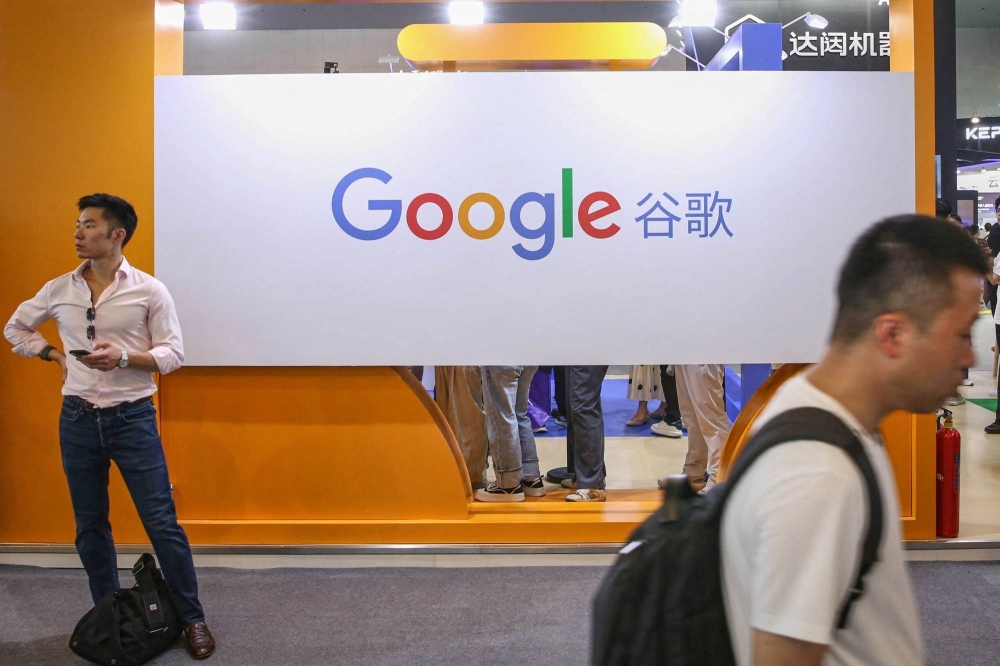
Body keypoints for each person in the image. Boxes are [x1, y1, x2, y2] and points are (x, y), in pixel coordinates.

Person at [721, 215, 985, 665]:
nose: (970, 357)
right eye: (961, 334)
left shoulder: (826, 421)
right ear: (893, 335)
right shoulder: (816, 472)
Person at [3, 194, 216, 660]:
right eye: (78, 223)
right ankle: (109, 614)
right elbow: (15, 328)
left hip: (133, 418)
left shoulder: (149, 290)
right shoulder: (59, 288)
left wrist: (123, 357)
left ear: (117, 234)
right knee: (91, 527)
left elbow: (172, 355)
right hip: (77, 419)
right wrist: (54, 354)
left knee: (162, 523)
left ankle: (192, 618)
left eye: (90, 225)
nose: (78, 232)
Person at [476, 366, 545, 501]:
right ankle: (530, 477)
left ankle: (507, 483)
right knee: (519, 414)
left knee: (502, 417)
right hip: (527, 354)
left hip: (501, 358)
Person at [658, 364, 731, 492]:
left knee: (710, 415)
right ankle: (694, 471)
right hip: (686, 352)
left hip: (705, 353)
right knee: (690, 416)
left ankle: (719, 475)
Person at [434, 366, 489, 489]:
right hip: (445, 359)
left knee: (468, 417)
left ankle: (471, 475)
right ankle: (457, 473)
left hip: (463, 359)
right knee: (449, 419)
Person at [560, 365, 609, 502]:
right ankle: (585, 476)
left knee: (583, 405)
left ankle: (591, 484)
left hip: (590, 346)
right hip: (578, 346)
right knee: (574, 406)